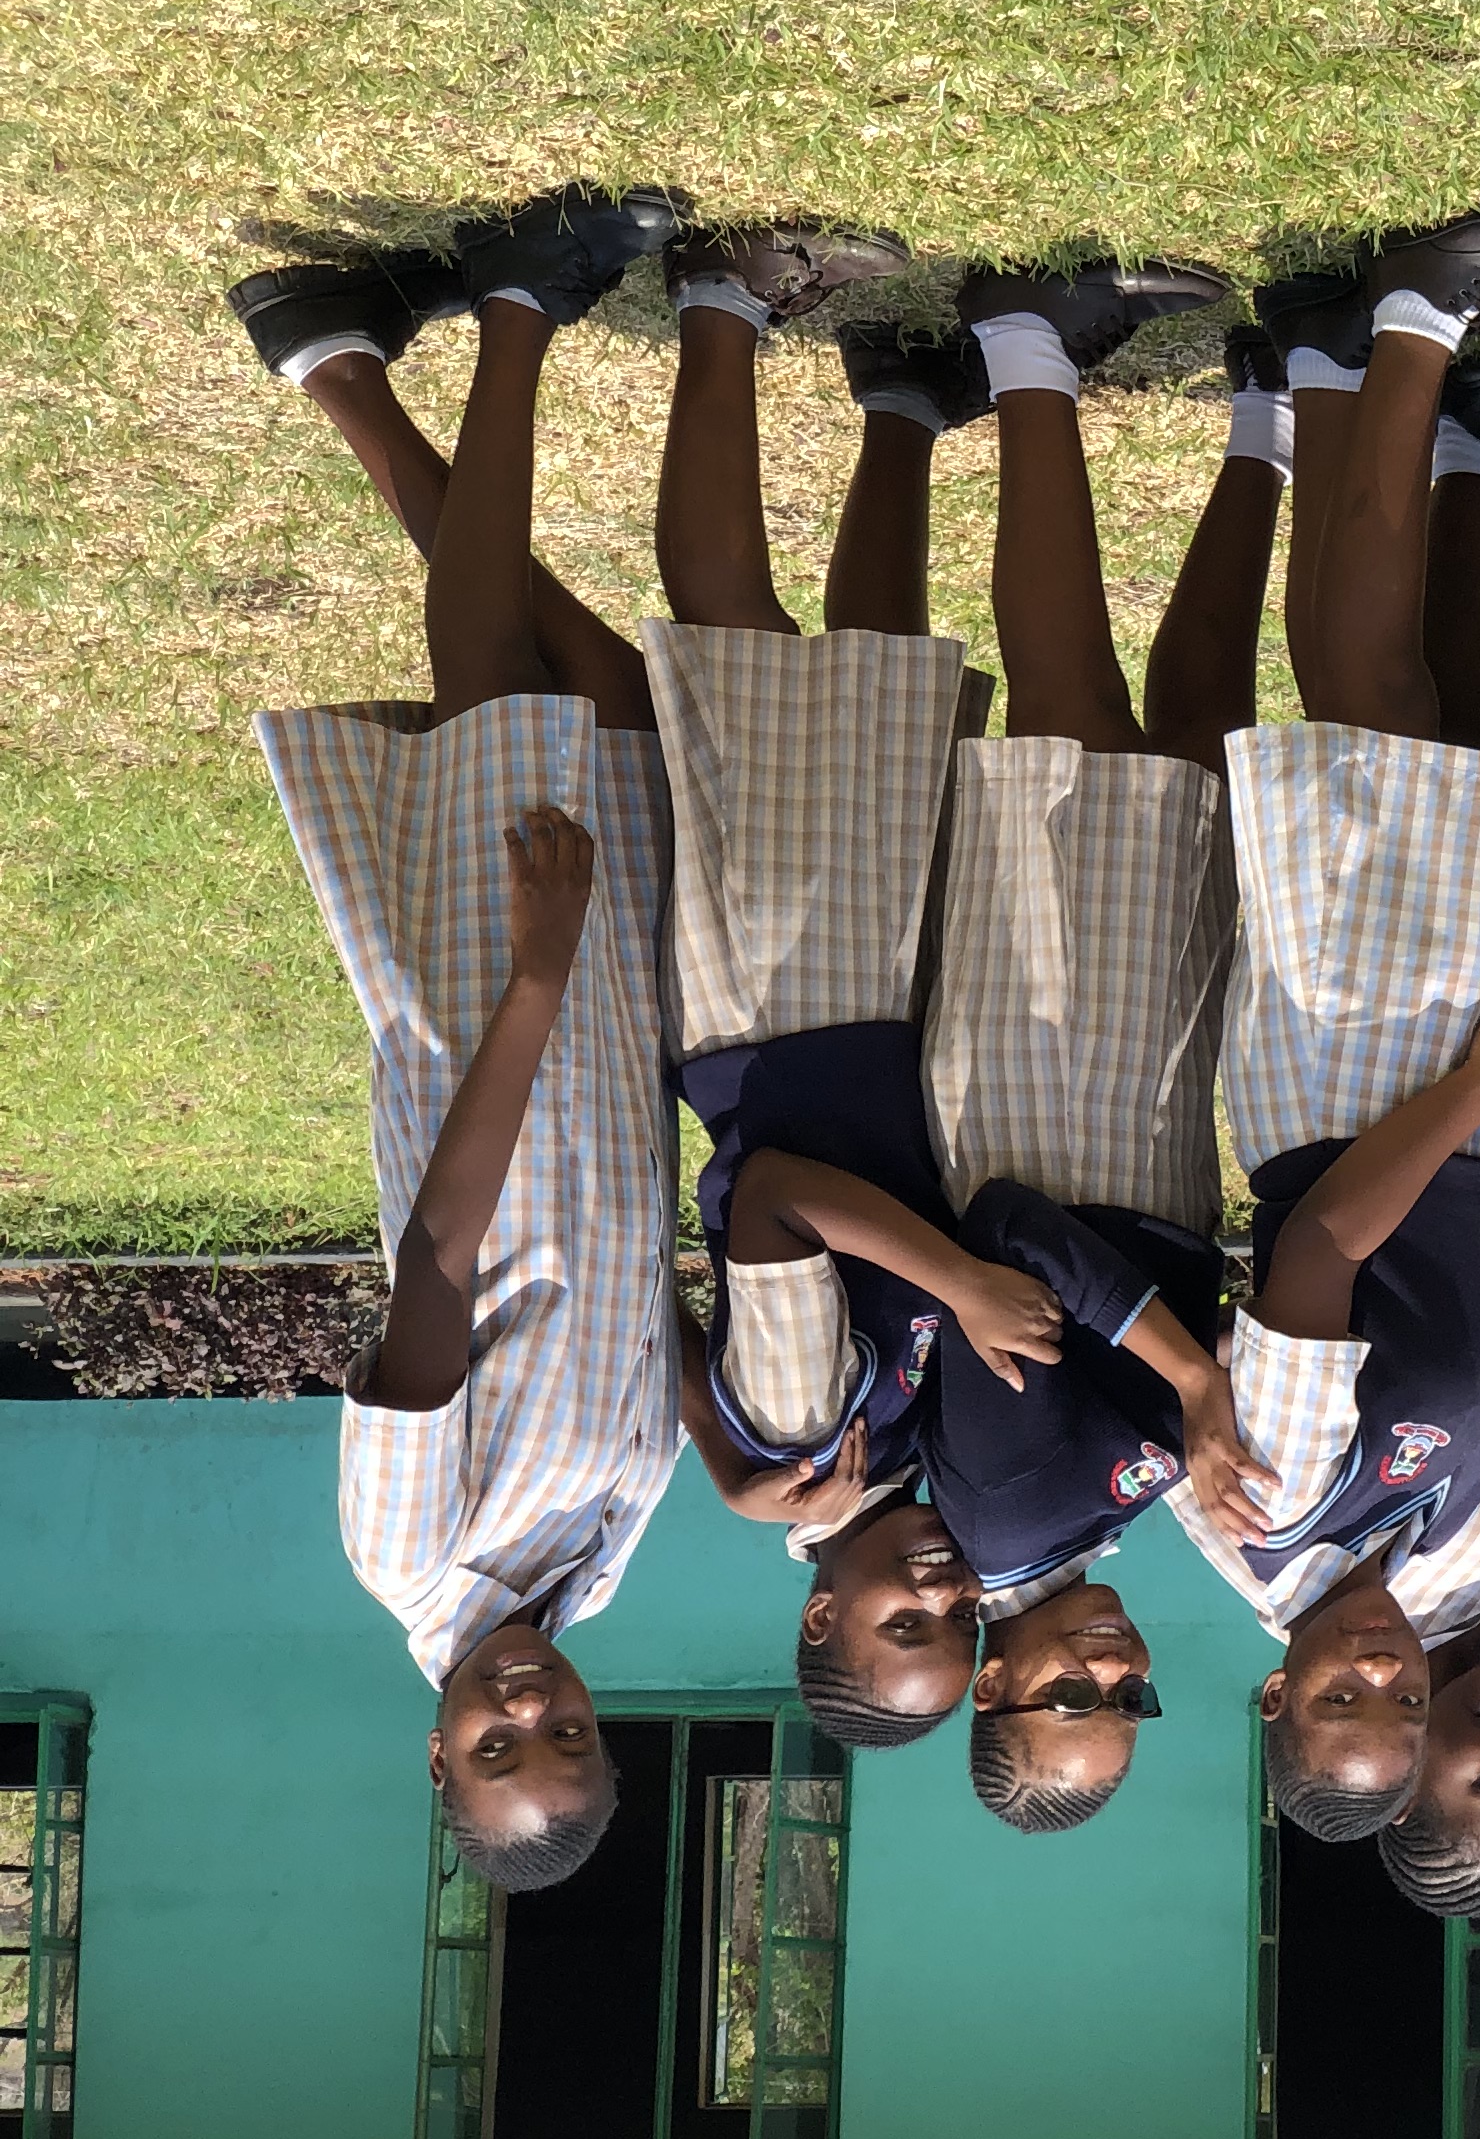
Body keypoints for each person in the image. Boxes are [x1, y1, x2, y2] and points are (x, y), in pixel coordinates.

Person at [1171, 207, 1480, 1915]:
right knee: (1439, 736)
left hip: (1361, 1091)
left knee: (1365, 700)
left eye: (1348, 1705)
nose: (1392, 1680)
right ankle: (1360, 370)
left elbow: (1313, 1256)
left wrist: (1474, 1085)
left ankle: (1407, 322)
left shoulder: (1270, 1520)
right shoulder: (1464, 1574)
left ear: (1281, 1694)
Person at [240, 188, 690, 1886]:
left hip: (495, 1038)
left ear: (438, 1754)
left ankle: (516, 311)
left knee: (497, 674)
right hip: (597, 1057)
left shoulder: (410, 1557)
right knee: (612, 718)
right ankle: (341, 371)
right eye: (565, 1735)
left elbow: (438, 1262)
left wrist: (534, 978)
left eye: (497, 1746)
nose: (531, 1707)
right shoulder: (592, 1568)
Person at [633, 220, 1061, 1753]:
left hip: (778, 1025)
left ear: (824, 1611)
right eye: (958, 1631)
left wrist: (955, 1286)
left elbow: (777, 1205)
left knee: (738, 651)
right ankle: (901, 406)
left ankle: (722, 303)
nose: (948, 1598)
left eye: (905, 1626)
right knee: (879, 680)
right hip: (860, 1021)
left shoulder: (811, 1435)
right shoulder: (877, 1455)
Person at [917, 256, 1281, 1833]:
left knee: (1075, 716)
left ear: (996, 1685)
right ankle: (1268, 412)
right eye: (1135, 1703)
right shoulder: (1088, 1534)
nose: (1119, 1675)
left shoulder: (1006, 1507)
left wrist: (1196, 1382)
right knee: (1196, 760)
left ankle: (1025, 350)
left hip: (1050, 1090)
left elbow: (1006, 1242)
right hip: (1142, 1119)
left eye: (1079, 1700)